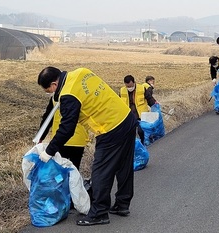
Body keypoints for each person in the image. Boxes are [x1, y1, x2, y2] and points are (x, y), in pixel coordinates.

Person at [37, 67, 138, 226]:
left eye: (48, 90)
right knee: (123, 165)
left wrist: (49, 151)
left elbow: (67, 128)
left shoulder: (68, 94)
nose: (50, 93)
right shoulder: (81, 72)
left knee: (100, 171)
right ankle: (122, 204)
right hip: (126, 118)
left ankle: (99, 213)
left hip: (110, 128)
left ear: (54, 84)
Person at [39, 95, 89, 170]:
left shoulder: (56, 97)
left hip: (60, 139)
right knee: (74, 170)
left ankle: (61, 181)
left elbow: (48, 119)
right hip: (79, 140)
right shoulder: (81, 96)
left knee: (59, 170)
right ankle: (73, 181)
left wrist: (41, 137)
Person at [120, 75, 157, 145]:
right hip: (129, 116)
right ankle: (134, 147)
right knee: (130, 133)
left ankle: (143, 142)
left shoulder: (141, 88)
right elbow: (119, 103)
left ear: (134, 82)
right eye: (127, 86)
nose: (129, 88)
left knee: (141, 131)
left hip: (141, 114)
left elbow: (149, 98)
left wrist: (155, 105)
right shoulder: (122, 91)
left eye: (130, 86)